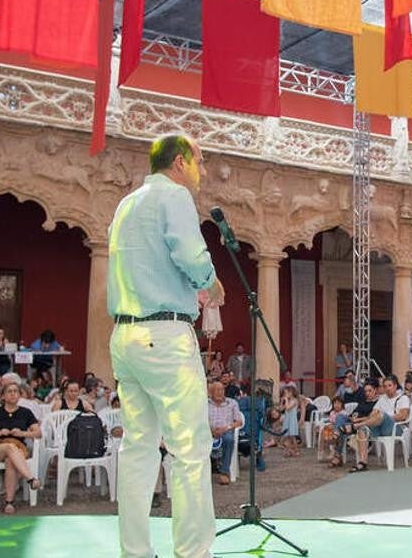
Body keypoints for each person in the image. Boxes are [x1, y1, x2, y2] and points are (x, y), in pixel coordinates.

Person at [107, 133, 225, 558]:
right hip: (164, 334)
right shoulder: (173, 197)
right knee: (190, 449)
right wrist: (211, 284)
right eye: (200, 161)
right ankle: (194, 552)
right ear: (179, 162)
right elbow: (192, 255)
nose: (203, 170)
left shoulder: (127, 204)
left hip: (125, 336)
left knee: (138, 448)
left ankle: (135, 551)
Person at [0, 383, 41, 514]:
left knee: (10, 460)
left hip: (17, 448)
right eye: (9, 391)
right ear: (3, 396)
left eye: (16, 391)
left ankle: (9, 503)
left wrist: (22, 433)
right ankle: (31, 479)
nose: (13, 394)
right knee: (10, 447)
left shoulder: (25, 413)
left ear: (19, 395)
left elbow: (38, 433)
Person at [206, 380, 243, 485]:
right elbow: (199, 421)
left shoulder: (232, 403)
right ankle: (202, 473)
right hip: (208, 431)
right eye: (217, 390)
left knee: (229, 439)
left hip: (226, 430)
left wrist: (225, 428)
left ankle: (224, 472)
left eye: (222, 390)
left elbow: (238, 422)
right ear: (211, 392)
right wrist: (210, 430)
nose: (220, 392)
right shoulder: (205, 404)